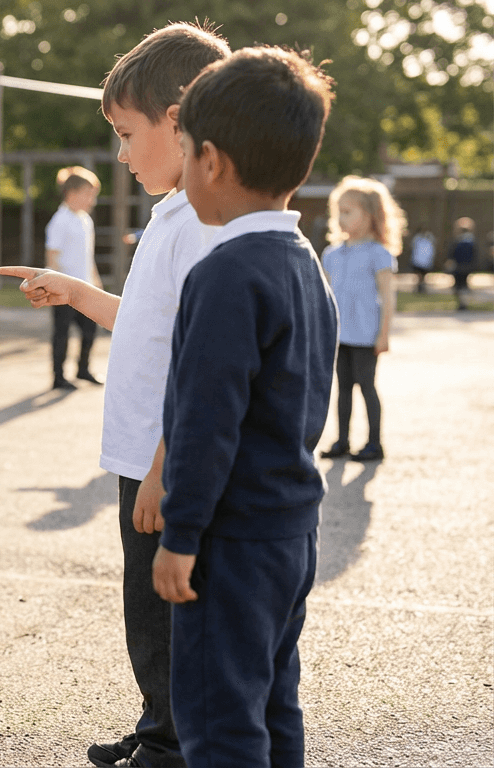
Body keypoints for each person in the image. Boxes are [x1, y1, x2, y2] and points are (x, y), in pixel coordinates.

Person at [0, 22, 229, 768]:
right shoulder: (173, 212)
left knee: (168, 610)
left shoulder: (200, 222)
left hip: (169, 458)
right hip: (145, 454)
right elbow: (151, 322)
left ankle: (173, 743)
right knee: (147, 606)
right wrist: (77, 293)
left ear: (181, 118)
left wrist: (165, 465)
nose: (120, 155)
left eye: (128, 135)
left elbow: (202, 356)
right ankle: (159, 721)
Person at [155, 47, 337, 768]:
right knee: (272, 702)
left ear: (213, 162)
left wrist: (181, 534)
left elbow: (206, 420)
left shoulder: (224, 273)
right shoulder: (304, 265)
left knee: (219, 720)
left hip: (228, 541)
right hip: (290, 532)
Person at [318, 176, 403, 462]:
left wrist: (384, 334)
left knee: (366, 386)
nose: (341, 218)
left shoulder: (379, 254)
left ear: (369, 215)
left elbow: (388, 298)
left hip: (366, 335)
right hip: (340, 336)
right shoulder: (331, 254)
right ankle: (341, 440)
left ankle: (374, 443)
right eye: (338, 211)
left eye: (348, 211)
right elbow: (326, 298)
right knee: (342, 389)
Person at [46, 165, 104, 389]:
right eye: (88, 195)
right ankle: (58, 376)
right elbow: (52, 256)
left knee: (90, 331)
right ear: (72, 194)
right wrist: (54, 286)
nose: (92, 200)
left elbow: (88, 257)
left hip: (85, 287)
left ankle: (83, 369)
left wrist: (96, 283)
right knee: (62, 334)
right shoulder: (60, 221)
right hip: (64, 291)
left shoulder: (85, 221)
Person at [449, 217, 476, 310]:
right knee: (463, 285)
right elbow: (474, 255)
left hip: (459, 266)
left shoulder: (458, 242)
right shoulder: (471, 241)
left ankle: (462, 303)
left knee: (459, 286)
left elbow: (453, 254)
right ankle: (464, 303)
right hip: (467, 266)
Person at [409, 225, 435, 292]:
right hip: (418, 260)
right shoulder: (417, 238)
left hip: (426, 260)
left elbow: (432, 249)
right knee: (418, 274)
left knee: (424, 275)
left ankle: (422, 286)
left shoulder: (430, 238)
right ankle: (419, 287)